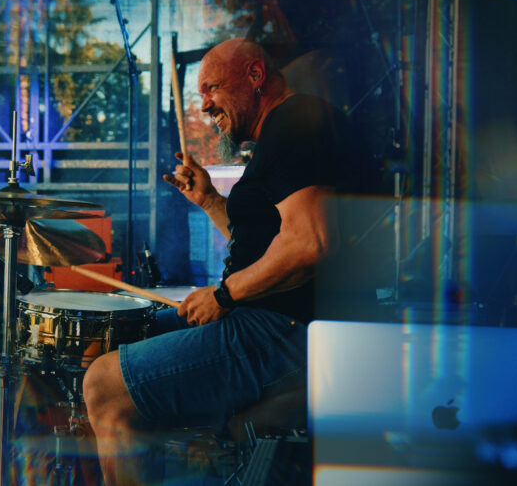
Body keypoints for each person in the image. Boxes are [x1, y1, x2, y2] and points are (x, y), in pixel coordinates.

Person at [81, 38, 379, 485]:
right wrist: (208, 200)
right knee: (111, 338)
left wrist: (224, 295)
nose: (204, 105)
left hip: (290, 328)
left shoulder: (295, 124)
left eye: (212, 88)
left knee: (104, 384)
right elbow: (266, 247)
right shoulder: (286, 132)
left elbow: (309, 244)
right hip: (278, 318)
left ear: (255, 76)